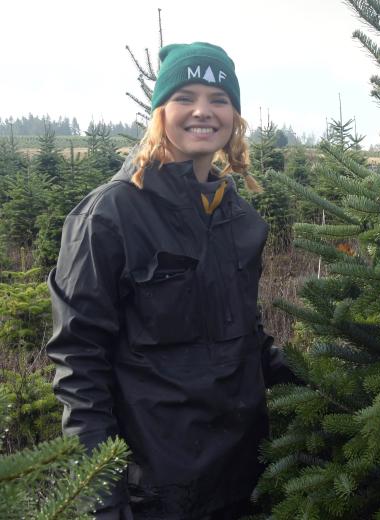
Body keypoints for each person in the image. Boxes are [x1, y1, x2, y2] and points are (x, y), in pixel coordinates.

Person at [46, 42, 295, 519]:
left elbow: (246, 340)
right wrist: (101, 492)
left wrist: (335, 380)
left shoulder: (239, 219)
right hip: (154, 489)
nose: (203, 111)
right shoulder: (110, 214)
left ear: (235, 118)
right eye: (185, 96)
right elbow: (79, 363)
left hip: (243, 475)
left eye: (218, 99)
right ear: (161, 112)